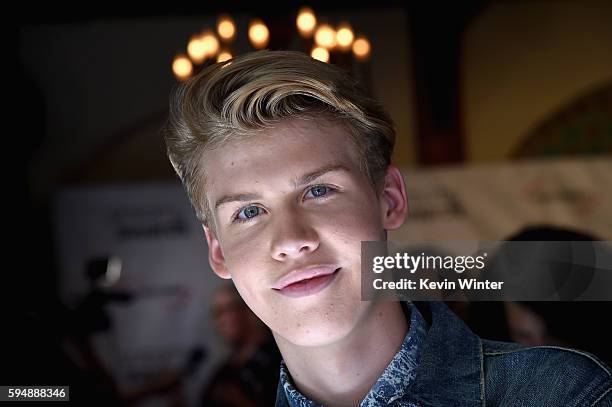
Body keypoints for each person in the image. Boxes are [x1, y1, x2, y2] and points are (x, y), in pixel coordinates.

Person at [163, 50, 612, 406]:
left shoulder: (565, 394)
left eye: (319, 191)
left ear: (389, 199)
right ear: (218, 251)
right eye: (248, 212)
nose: (291, 240)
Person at [202, 284, 281, 406]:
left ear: (250, 309)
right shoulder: (223, 371)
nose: (225, 319)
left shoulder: (279, 359)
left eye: (232, 307)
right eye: (218, 312)